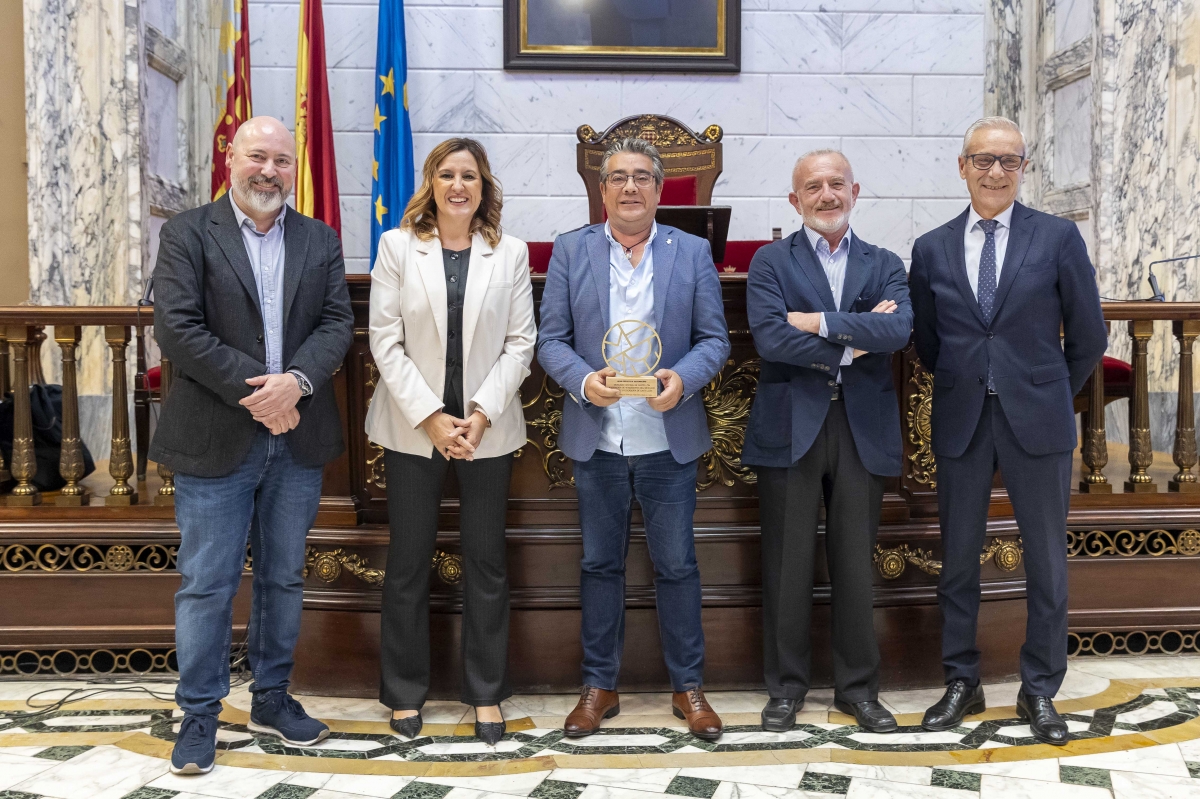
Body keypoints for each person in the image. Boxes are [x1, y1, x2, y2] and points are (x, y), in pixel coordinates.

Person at [151, 117, 354, 775]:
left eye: (282, 160)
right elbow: (178, 330)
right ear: (230, 159)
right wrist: (261, 391)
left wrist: (295, 383)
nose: (269, 171)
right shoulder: (188, 233)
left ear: (295, 169)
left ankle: (271, 697)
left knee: (281, 577)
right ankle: (200, 715)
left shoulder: (319, 239)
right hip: (216, 437)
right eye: (257, 157)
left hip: (295, 441)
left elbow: (336, 323)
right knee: (207, 583)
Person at [909, 117, 1107, 745]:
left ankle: (1040, 688)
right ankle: (961, 681)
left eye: (1009, 161)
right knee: (958, 560)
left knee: (1047, 561)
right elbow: (929, 341)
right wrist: (974, 378)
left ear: (1024, 168)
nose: (996, 172)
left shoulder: (1057, 238)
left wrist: (1044, 387)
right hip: (963, 418)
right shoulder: (932, 247)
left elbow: (1089, 335)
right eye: (983, 160)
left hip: (1038, 419)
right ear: (961, 166)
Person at [538, 137, 730, 741]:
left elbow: (714, 340)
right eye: (618, 176)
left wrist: (684, 377)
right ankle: (599, 686)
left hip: (666, 437)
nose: (629, 188)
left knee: (677, 566)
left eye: (642, 177)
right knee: (599, 566)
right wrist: (581, 379)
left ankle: (688, 686)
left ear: (659, 187)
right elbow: (550, 340)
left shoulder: (692, 251)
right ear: (602, 188)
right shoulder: (571, 250)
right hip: (597, 439)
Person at [366, 138, 536, 746]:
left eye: (469, 175)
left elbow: (522, 343)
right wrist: (434, 418)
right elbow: (385, 341)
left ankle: (487, 694)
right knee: (408, 564)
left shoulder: (508, 251)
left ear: (484, 185)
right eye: (447, 174)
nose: (458, 185)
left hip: (487, 432)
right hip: (414, 432)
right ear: (430, 183)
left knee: (486, 563)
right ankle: (404, 694)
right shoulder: (396, 246)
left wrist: (481, 414)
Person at [742, 150, 911, 734]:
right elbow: (769, 338)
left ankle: (858, 690)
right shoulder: (769, 262)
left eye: (837, 183)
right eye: (813, 187)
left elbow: (899, 329)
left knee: (854, 565)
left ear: (855, 190)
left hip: (862, 429)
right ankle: (785, 690)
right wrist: (855, 340)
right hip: (791, 428)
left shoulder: (884, 261)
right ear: (795, 200)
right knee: (786, 565)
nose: (826, 195)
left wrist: (815, 322)